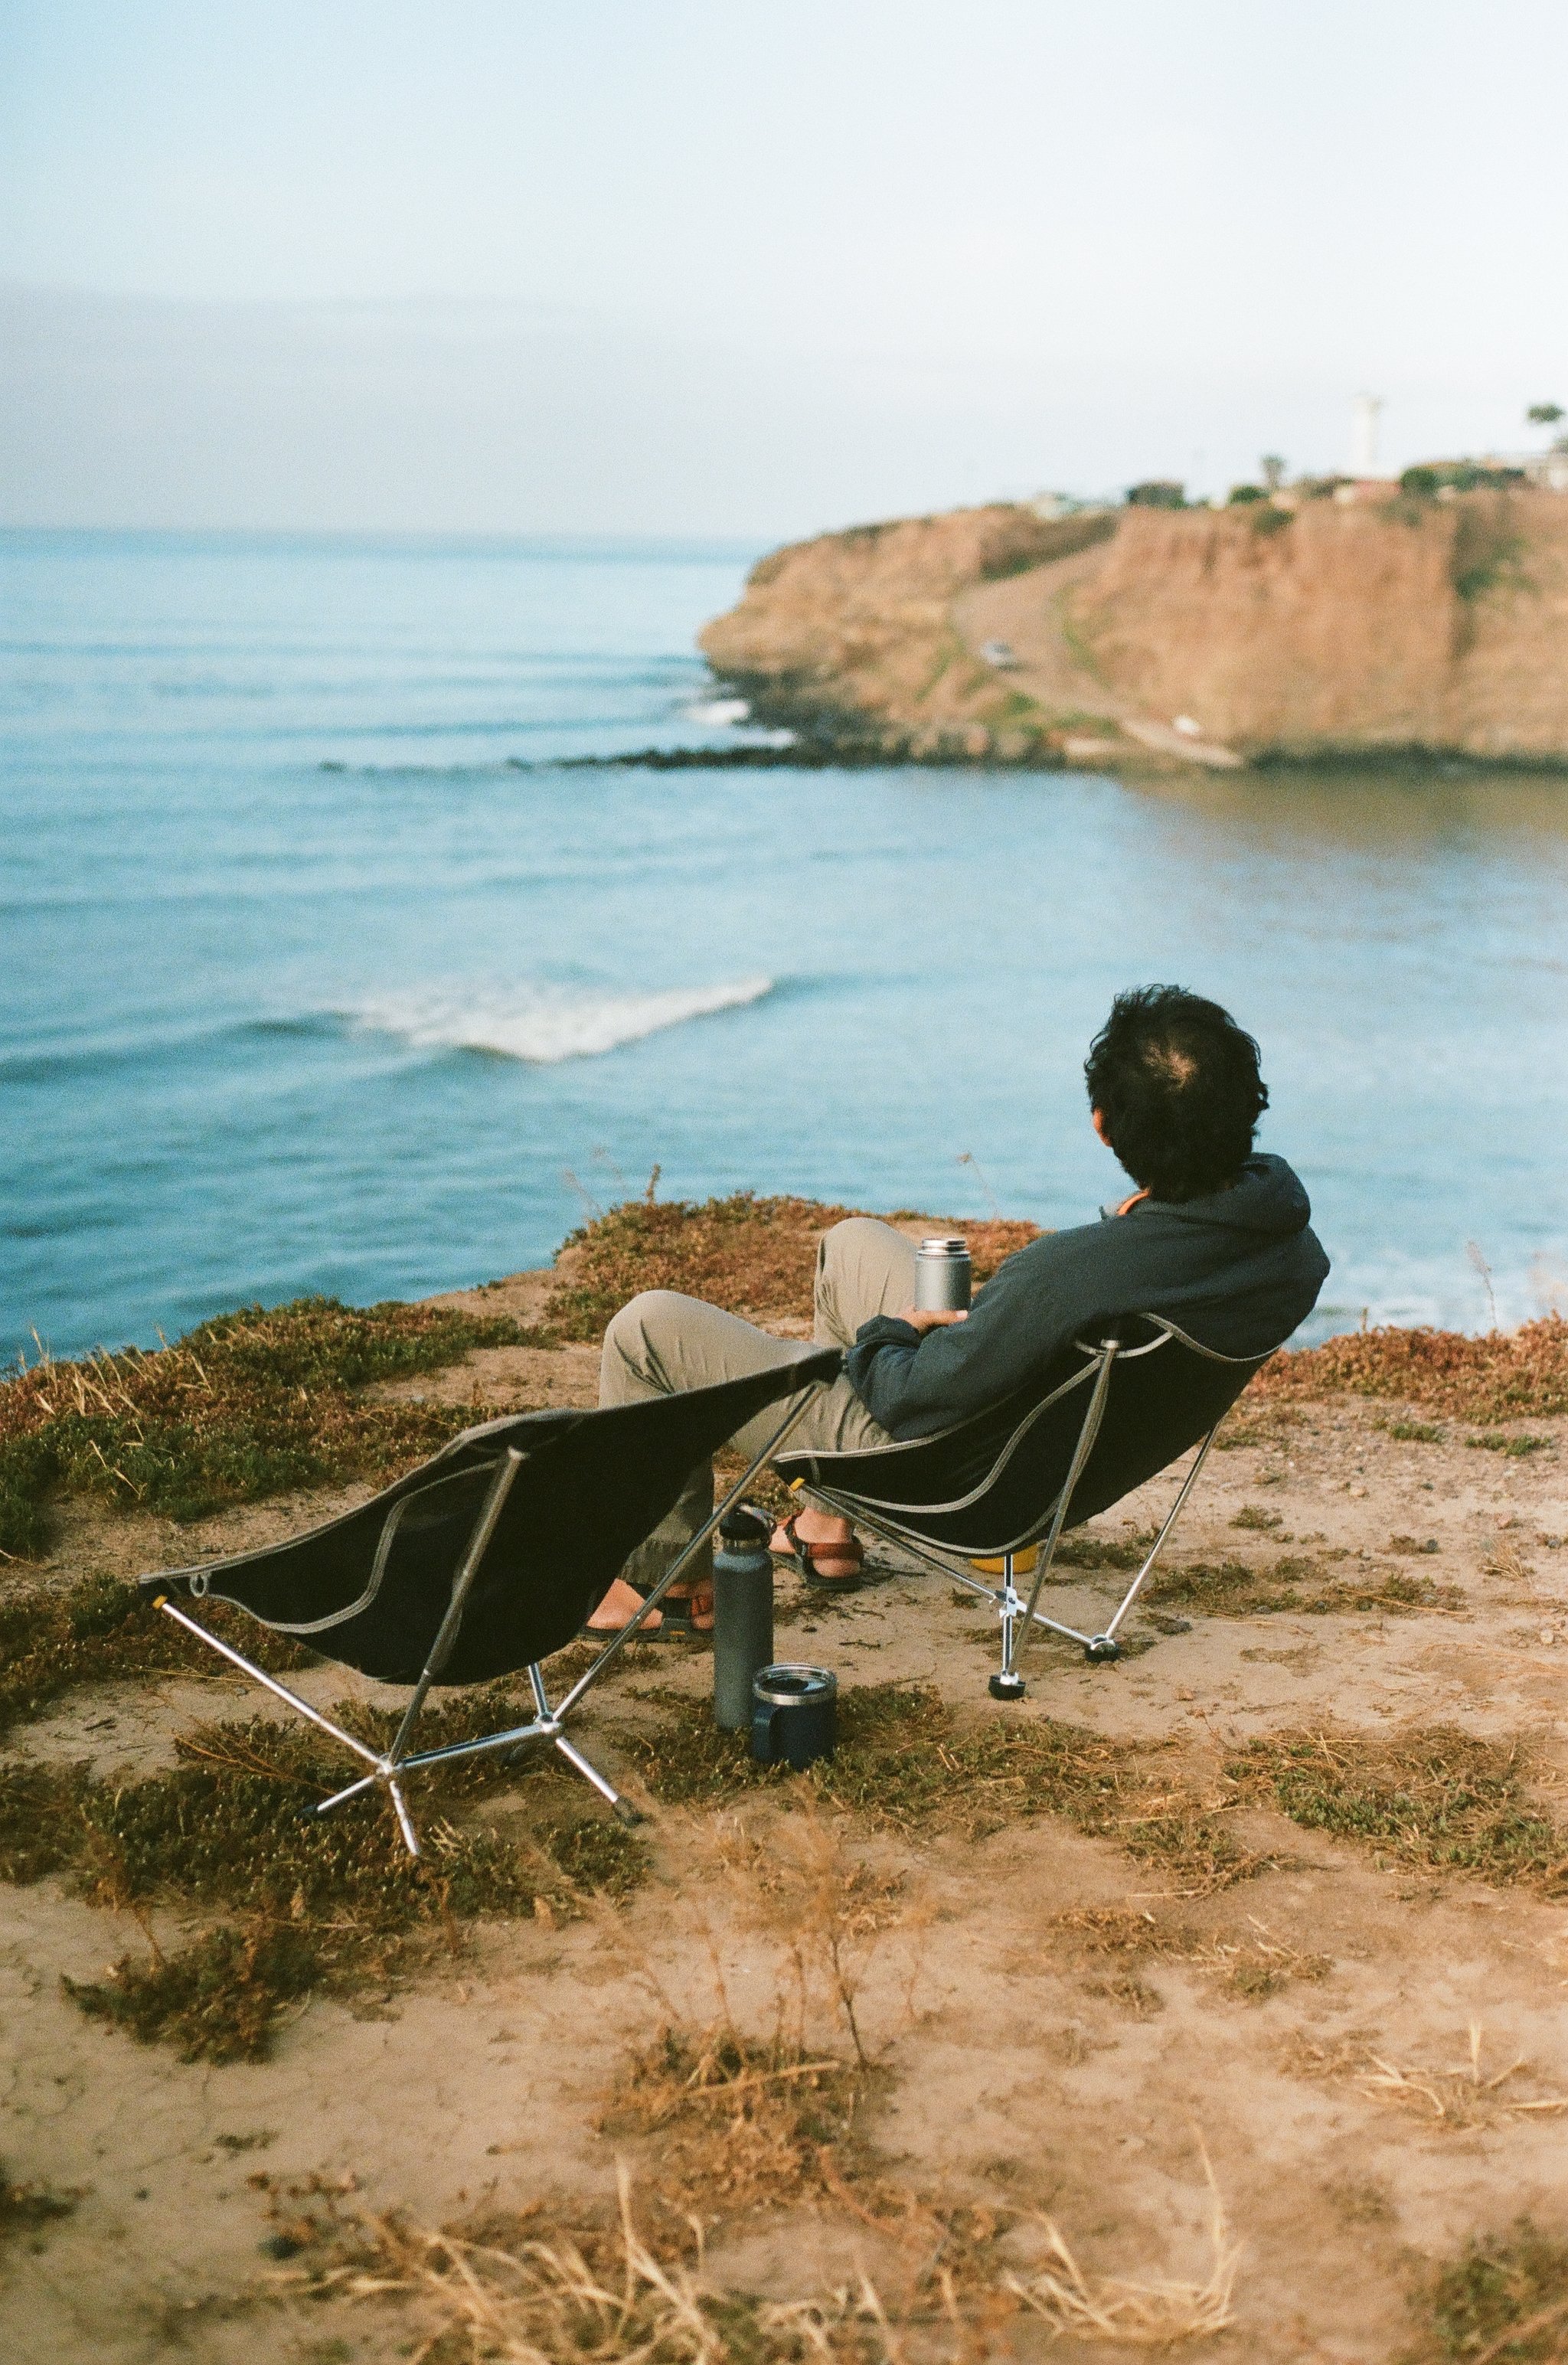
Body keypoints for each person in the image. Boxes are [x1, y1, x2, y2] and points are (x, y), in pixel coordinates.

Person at [586, 984, 1329, 1632]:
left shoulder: (1066, 1273)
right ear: (1245, 1108)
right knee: (851, 1244)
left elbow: (910, 1399)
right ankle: (824, 1527)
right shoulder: (1285, 1247)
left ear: (1102, 1125)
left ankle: (671, 1586)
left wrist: (887, 1336)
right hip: (1036, 1463)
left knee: (642, 1329)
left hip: (947, 1473)